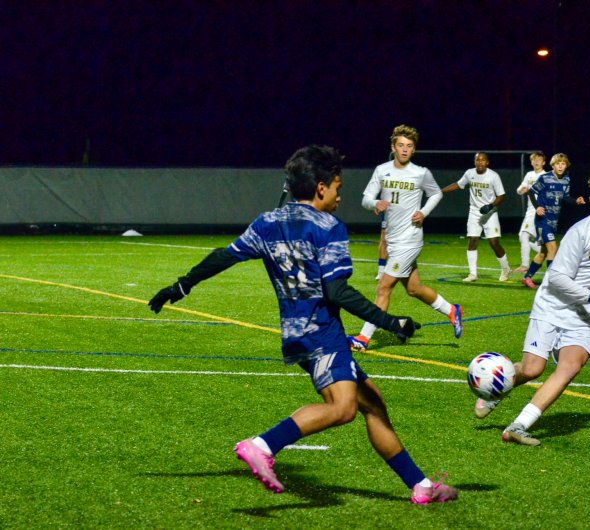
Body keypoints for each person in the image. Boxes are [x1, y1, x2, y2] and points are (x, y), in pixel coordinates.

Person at [147, 145, 458, 504]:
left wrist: (181, 286)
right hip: (323, 333)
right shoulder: (328, 227)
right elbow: (337, 291)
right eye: (338, 188)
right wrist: (391, 321)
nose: (340, 197)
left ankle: (421, 485)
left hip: (296, 335)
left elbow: (223, 257)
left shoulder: (267, 223)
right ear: (321, 188)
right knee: (343, 409)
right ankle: (262, 445)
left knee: (373, 404)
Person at [473, 173, 590, 446]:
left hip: (583, 317)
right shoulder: (580, 232)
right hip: (552, 306)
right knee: (532, 369)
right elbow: (556, 278)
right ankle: (496, 389)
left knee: (570, 366)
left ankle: (519, 426)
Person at [348, 125, 463, 351]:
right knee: (414, 289)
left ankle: (363, 338)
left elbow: (436, 193)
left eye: (409, 146)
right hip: (393, 239)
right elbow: (366, 198)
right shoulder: (381, 170)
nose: (404, 149)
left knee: (383, 288)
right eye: (400, 145)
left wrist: (424, 212)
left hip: (410, 240)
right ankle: (452, 310)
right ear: (393, 147)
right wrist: (375, 203)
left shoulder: (421, 173)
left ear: (413, 150)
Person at [441, 151, 512, 282]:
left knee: (494, 242)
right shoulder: (469, 173)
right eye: (477, 160)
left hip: (490, 213)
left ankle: (505, 269)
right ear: (474, 162)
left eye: (483, 160)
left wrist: (490, 206)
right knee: (472, 240)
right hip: (474, 212)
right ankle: (473, 274)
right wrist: (441, 191)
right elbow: (458, 184)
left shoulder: (493, 176)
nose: (480, 162)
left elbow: (501, 196)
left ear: (487, 162)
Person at [521, 153, 586, 289]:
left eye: (563, 164)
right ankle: (551, 281)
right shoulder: (545, 178)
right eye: (557, 164)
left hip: (554, 220)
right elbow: (531, 192)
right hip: (542, 220)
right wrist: (537, 207)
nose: (560, 166)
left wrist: (576, 201)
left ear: (566, 165)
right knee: (553, 248)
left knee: (543, 252)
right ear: (553, 165)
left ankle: (527, 277)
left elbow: (565, 197)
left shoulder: (566, 179)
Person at [513, 151, 546, 273]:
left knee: (524, 235)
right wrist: (521, 190)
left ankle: (525, 265)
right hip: (530, 210)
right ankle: (549, 253)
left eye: (539, 160)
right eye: (534, 160)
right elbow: (520, 189)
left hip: (538, 210)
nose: (536, 162)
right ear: (531, 162)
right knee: (528, 239)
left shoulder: (545, 176)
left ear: (543, 162)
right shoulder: (529, 175)